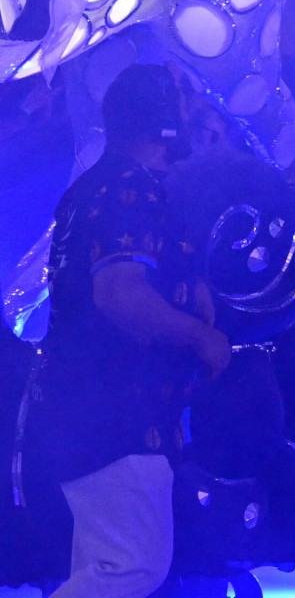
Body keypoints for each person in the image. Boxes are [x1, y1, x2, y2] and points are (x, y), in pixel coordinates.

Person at [26, 63, 231, 598]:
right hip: (115, 415)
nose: (197, 118)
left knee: (115, 564)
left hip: (86, 413)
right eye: (186, 105)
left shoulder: (99, 184)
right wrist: (201, 336)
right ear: (161, 119)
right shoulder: (129, 189)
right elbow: (120, 296)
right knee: (130, 567)